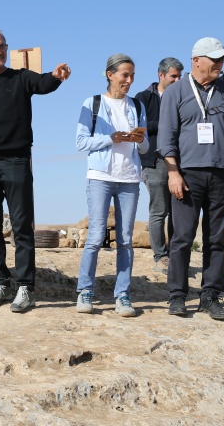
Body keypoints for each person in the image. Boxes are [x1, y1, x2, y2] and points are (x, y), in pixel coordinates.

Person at [0, 28, 71, 313]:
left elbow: (44, 83)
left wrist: (57, 76)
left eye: (1, 46)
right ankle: (1, 282)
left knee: (22, 227)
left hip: (16, 162)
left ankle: (25, 286)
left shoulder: (21, 78)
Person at [157, 37, 224, 321]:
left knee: (215, 238)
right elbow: (166, 138)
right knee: (182, 237)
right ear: (196, 59)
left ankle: (210, 296)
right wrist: (173, 172)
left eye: (223, 59)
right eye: (215, 59)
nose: (220, 64)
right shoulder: (175, 92)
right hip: (187, 174)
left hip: (223, 172)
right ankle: (177, 295)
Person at [75, 54, 148, 316]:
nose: (129, 80)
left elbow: (147, 145)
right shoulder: (92, 103)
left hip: (129, 178)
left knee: (126, 240)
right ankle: (85, 292)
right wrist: (111, 138)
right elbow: (81, 142)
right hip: (100, 177)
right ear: (110, 74)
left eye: (132, 76)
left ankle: (123, 295)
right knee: (95, 237)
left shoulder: (138, 106)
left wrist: (139, 139)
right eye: (124, 75)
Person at [135, 57, 182, 274]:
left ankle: (176, 256)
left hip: (182, 162)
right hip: (154, 162)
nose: (177, 80)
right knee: (159, 210)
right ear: (160, 75)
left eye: (180, 76)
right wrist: (166, 124)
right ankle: (161, 257)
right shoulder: (143, 98)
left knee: (179, 212)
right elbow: (138, 128)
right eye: (174, 76)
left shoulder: (184, 96)